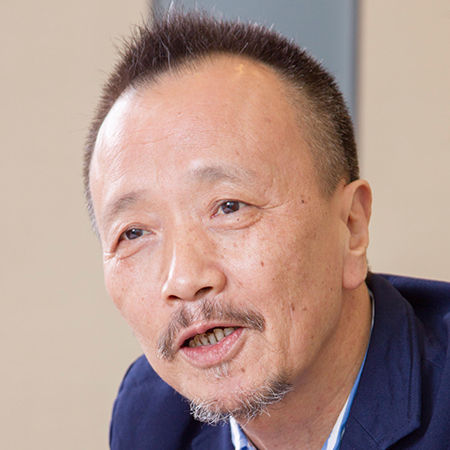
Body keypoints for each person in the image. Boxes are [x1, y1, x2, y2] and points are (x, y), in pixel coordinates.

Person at [84, 11, 450, 450]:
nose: (183, 280)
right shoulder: (151, 417)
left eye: (229, 207)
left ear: (352, 226)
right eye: (134, 233)